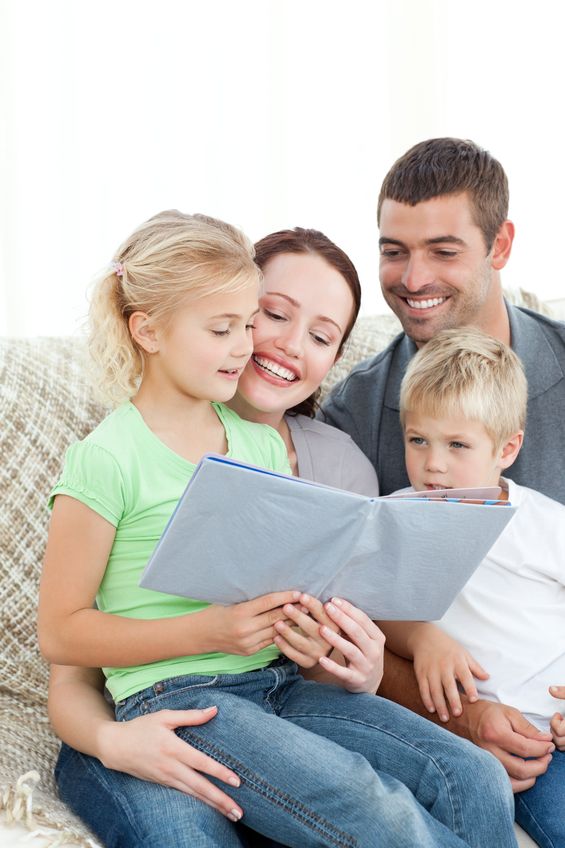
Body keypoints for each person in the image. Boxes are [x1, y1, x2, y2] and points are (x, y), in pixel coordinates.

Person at [38, 212, 517, 848]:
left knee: (474, 776)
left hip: (278, 685)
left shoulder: (259, 447)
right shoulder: (106, 457)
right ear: (148, 330)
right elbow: (61, 632)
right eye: (231, 326)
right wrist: (210, 630)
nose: (247, 346)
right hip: (182, 696)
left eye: (245, 325)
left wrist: (320, 631)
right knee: (366, 803)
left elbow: (288, 588)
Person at [49, 227, 383, 847]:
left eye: (321, 335)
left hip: (266, 697)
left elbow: (301, 643)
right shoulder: (113, 456)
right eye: (268, 317)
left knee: (447, 778)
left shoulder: (305, 460)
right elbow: (67, 657)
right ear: (150, 331)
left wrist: (350, 665)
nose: (263, 343)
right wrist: (111, 740)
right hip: (146, 710)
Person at [319, 136, 565, 792]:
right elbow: (336, 610)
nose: (413, 278)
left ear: (500, 246)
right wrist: (461, 716)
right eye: (393, 251)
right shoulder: (357, 409)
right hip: (476, 732)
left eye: (443, 251)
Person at [379, 327, 565, 848]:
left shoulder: (544, 525)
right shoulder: (393, 515)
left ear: (506, 448)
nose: (433, 463)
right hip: (464, 738)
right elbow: (370, 606)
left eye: (457, 444)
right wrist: (421, 638)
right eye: (418, 440)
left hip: (551, 731)